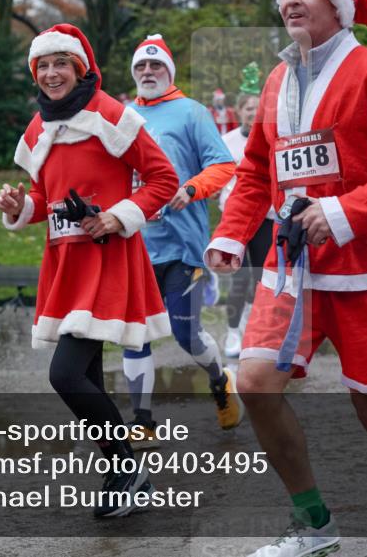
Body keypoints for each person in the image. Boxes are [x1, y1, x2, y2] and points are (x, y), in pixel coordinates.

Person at [207, 0, 367, 557]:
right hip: (291, 268)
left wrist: (340, 214)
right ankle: (314, 524)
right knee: (255, 381)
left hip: (365, 269)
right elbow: (259, 168)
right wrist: (232, 233)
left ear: (336, 5)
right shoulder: (276, 79)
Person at [0, 24, 179, 517]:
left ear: (80, 68)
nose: (52, 74)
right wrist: (18, 205)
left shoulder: (112, 115)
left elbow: (163, 180)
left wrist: (117, 216)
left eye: (61, 64)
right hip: (64, 263)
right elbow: (42, 197)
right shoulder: (36, 129)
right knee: (88, 378)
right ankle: (122, 474)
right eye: (43, 66)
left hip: (107, 259)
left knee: (65, 375)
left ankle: (125, 465)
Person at [122, 34, 240, 445]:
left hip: (182, 245)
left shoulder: (191, 112)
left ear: (168, 72)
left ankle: (219, 379)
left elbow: (224, 164)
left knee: (185, 334)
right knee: (134, 332)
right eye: (141, 67)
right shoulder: (120, 116)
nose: (148, 72)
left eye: (156, 67)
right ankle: (142, 419)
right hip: (132, 244)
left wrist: (190, 189)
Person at [220, 62, 273, 358]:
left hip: (266, 218)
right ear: (239, 111)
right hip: (236, 219)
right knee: (239, 279)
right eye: (248, 108)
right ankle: (232, 331)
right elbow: (218, 178)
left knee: (263, 276)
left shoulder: (269, 139)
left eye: (257, 108)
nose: (253, 113)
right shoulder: (227, 142)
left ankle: (257, 331)